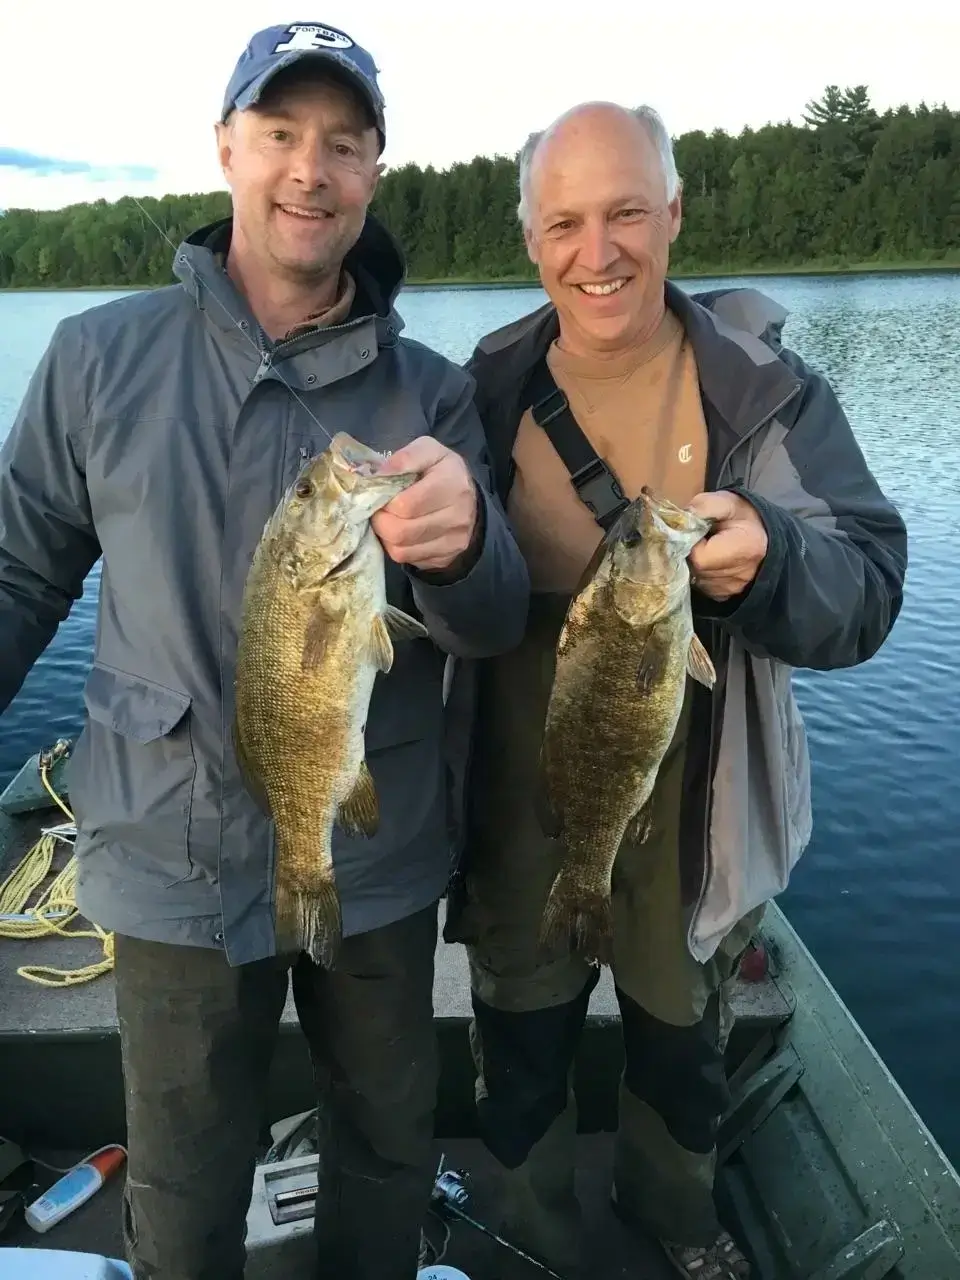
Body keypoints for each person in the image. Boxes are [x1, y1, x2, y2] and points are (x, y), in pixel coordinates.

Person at [0, 20, 529, 1280]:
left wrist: (460, 553)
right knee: (181, 1174)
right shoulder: (95, 358)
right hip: (169, 855)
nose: (310, 168)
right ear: (226, 148)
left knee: (389, 1140)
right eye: (282, 133)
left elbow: (496, 620)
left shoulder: (433, 393)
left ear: (375, 172)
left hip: (380, 852)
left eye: (342, 143)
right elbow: (20, 571)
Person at [443, 100, 907, 1280]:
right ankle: (536, 1234)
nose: (596, 253)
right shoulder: (480, 387)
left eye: (626, 214)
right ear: (532, 239)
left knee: (677, 1036)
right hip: (515, 791)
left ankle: (674, 1212)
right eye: (565, 222)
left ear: (676, 214)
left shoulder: (763, 390)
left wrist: (779, 562)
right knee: (522, 1028)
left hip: (693, 791)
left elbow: (867, 585)